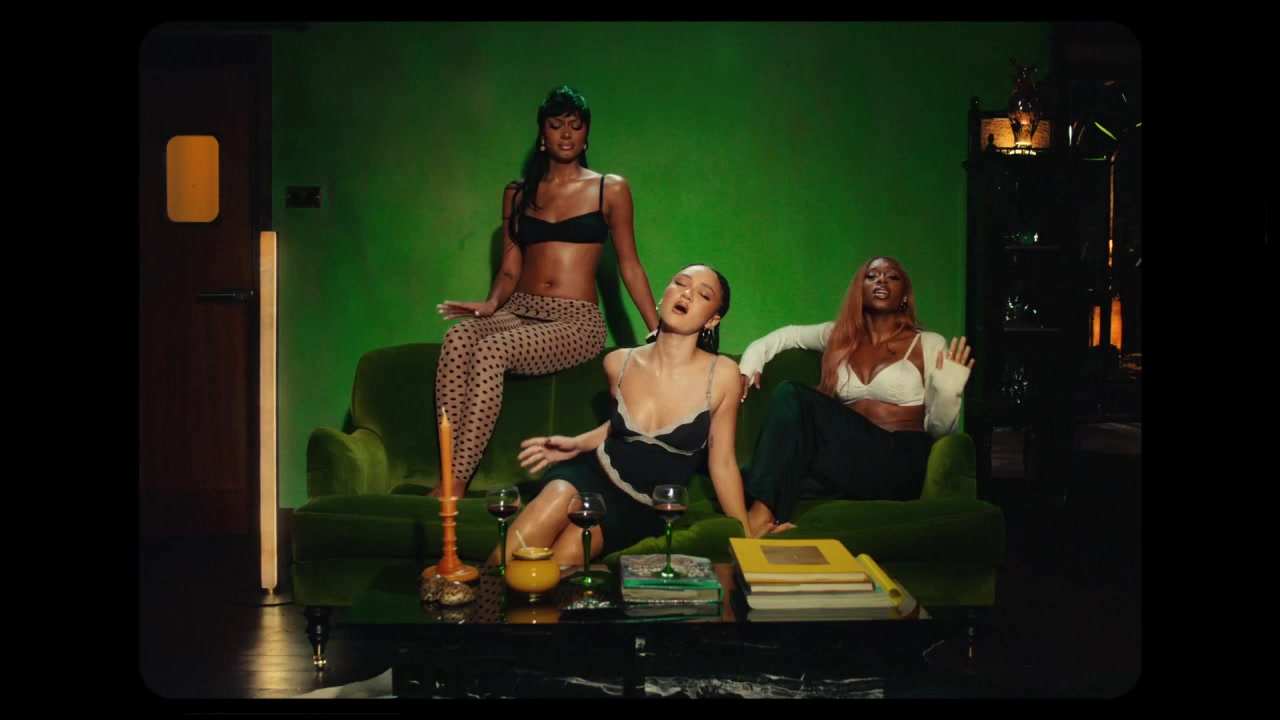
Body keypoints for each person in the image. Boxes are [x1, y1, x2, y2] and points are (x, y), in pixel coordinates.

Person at [433, 86, 660, 498]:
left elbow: (629, 266)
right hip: (519, 310)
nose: (566, 134)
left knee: (492, 350)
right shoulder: (517, 193)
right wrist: (490, 305)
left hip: (576, 321)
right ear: (542, 133)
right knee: (458, 337)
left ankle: (456, 483)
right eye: (556, 125)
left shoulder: (609, 188)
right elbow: (509, 268)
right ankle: (447, 474)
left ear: (587, 134)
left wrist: (658, 333)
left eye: (576, 125)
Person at [490, 264, 779, 567]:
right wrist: (577, 444)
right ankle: (488, 587)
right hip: (592, 472)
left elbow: (722, 463)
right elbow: (622, 429)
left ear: (712, 319)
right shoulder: (618, 363)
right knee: (554, 500)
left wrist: (744, 536)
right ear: (664, 294)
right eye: (680, 283)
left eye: (703, 295)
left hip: (643, 506)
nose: (687, 294)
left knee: (573, 546)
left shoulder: (722, 375)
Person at [736, 256, 976, 531]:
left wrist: (948, 392)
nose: (882, 280)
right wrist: (750, 363)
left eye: (892, 276)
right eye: (872, 276)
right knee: (748, 475)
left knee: (792, 394)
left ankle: (760, 519)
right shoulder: (838, 337)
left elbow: (940, 432)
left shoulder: (928, 343)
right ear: (859, 290)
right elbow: (787, 336)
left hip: (899, 459)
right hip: (848, 461)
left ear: (904, 296)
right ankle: (779, 524)